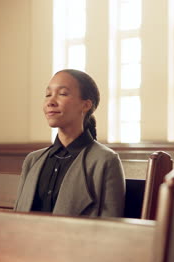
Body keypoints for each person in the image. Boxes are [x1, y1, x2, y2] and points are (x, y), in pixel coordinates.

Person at [14, 69, 126, 217]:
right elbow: (17, 219)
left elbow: (111, 227)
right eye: (48, 94)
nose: (50, 102)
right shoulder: (33, 160)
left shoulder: (105, 161)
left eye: (62, 94)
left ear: (86, 105)